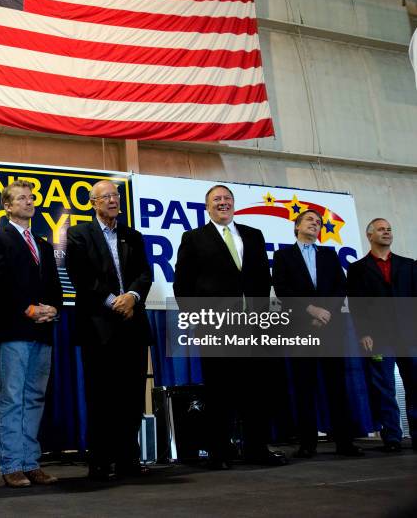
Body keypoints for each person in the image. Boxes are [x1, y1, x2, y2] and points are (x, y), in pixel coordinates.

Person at [174, 184, 287, 469]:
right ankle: (219, 453)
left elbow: (263, 279)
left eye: (226, 198)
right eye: (216, 200)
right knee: (219, 392)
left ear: (233, 204)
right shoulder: (193, 238)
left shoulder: (253, 235)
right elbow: (182, 285)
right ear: (207, 207)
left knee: (256, 392)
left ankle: (256, 449)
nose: (222, 203)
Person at [65, 180, 153, 481]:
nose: (113, 200)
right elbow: (80, 275)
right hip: (98, 325)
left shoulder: (133, 235)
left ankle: (128, 458)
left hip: (133, 323)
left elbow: (144, 273)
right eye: (106, 196)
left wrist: (133, 297)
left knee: (130, 395)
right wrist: (114, 301)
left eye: (115, 195)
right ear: (93, 202)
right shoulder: (79, 234)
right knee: (101, 395)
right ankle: (101, 460)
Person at [0, 180, 63, 487]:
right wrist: (27, 308)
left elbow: (55, 284)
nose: (29, 202)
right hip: (14, 328)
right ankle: (11, 465)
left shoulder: (42, 243)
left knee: (35, 397)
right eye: (22, 198)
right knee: (12, 398)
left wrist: (54, 309)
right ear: (8, 206)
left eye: (31, 198)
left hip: (43, 331)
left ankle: (31, 462)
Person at [272, 209, 363, 458]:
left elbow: (340, 287)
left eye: (319, 222)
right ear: (297, 226)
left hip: (330, 328)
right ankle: (307, 444)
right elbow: (282, 289)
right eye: (310, 220)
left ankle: (345, 443)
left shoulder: (329, 255)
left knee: (337, 387)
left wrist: (326, 313)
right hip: (300, 328)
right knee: (304, 387)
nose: (315, 223)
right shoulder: (283, 255)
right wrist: (311, 310)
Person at [347, 218, 417, 452]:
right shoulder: (358, 269)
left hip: (410, 336)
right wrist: (364, 333)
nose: (386, 232)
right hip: (379, 338)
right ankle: (393, 438)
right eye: (381, 229)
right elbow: (357, 305)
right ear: (369, 235)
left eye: (389, 229)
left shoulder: (409, 266)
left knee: (415, 386)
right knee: (384, 389)